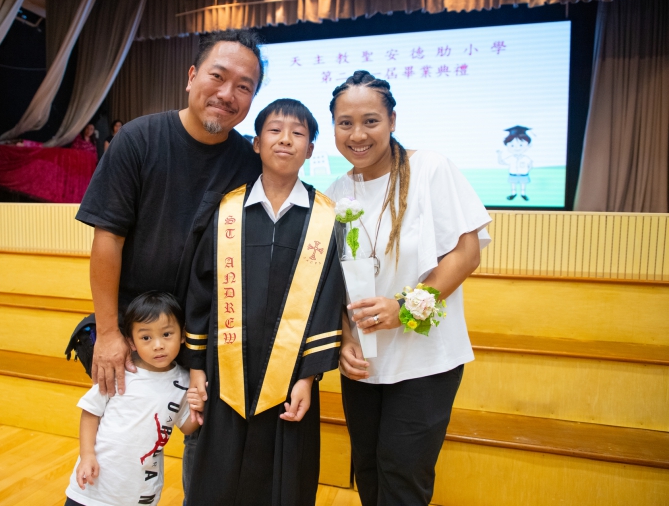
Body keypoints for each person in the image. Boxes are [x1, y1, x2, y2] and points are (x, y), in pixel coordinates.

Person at [74, 30, 264, 502]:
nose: (227, 93)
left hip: (206, 339)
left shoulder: (248, 163)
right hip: (137, 338)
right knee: (125, 449)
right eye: (218, 76)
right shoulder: (139, 139)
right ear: (192, 76)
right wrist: (109, 334)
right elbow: (107, 238)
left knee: (204, 448)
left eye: (244, 86)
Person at [325, 71, 491, 506]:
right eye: (345, 123)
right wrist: (345, 338)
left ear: (392, 120)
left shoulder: (429, 168)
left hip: (425, 361)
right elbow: (332, 282)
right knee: (369, 471)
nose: (357, 135)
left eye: (370, 121)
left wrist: (404, 308)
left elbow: (466, 254)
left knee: (402, 478)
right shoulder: (335, 193)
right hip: (364, 363)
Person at [185, 99, 345, 506]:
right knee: (217, 478)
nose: (285, 140)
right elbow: (201, 290)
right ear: (256, 143)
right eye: (274, 130)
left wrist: (308, 377)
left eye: (298, 133)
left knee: (284, 481)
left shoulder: (325, 218)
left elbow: (328, 300)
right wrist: (197, 366)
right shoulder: (226, 211)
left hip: (290, 380)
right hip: (224, 372)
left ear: (310, 149)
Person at [64, 291, 200, 506]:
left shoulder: (184, 381)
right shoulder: (120, 372)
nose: (158, 345)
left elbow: (187, 427)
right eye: (146, 338)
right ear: (132, 342)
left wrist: (199, 405)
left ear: (183, 335)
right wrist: (87, 455)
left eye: (166, 334)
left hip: (139, 493)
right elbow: (90, 412)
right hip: (94, 486)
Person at [497, 125, 534, 201]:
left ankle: (523, 194)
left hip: (523, 175)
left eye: (521, 145)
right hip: (513, 175)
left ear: (528, 145)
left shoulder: (526, 158)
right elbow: (502, 162)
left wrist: (527, 171)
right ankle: (513, 194)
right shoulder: (511, 158)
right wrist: (499, 155)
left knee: (523, 185)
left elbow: (530, 165)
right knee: (513, 185)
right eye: (512, 145)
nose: (517, 148)